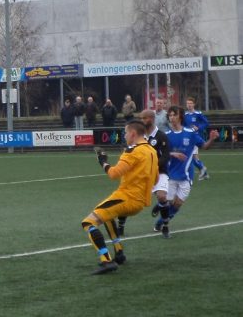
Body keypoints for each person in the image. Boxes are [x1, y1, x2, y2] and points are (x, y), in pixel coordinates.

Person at [83, 120, 158, 275]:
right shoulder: (152, 151)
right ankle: (119, 252)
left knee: (88, 222)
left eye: (125, 132)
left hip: (126, 197)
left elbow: (114, 174)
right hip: (139, 202)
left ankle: (106, 260)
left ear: (133, 134)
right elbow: (156, 179)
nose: (124, 136)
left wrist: (103, 161)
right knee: (107, 216)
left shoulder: (132, 151)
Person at [153, 106, 218, 235]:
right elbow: (159, 154)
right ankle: (160, 208)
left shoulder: (190, 133)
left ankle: (160, 222)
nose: (172, 117)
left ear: (180, 116)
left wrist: (211, 139)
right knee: (167, 202)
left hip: (186, 176)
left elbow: (204, 146)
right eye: (170, 115)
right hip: (170, 175)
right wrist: (173, 154)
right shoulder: (166, 136)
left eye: (174, 115)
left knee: (177, 204)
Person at [117, 109, 169, 237]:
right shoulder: (139, 137)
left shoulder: (161, 136)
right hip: (142, 174)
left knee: (162, 197)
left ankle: (165, 227)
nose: (141, 121)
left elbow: (166, 156)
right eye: (140, 118)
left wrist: (152, 165)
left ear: (152, 119)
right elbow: (130, 152)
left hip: (159, 172)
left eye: (144, 118)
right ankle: (120, 226)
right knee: (127, 198)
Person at [184, 97, 210, 180]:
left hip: (194, 138)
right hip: (187, 138)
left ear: (194, 104)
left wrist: (198, 127)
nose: (189, 105)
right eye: (188, 103)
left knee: (191, 156)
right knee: (193, 157)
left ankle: (202, 168)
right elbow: (183, 125)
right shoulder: (185, 115)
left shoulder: (198, 114)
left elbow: (206, 123)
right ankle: (204, 173)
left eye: (190, 103)